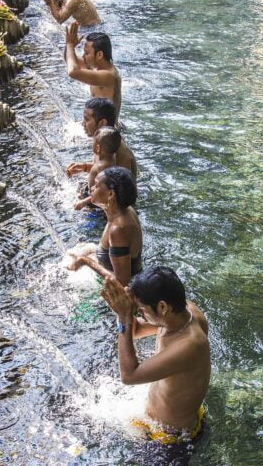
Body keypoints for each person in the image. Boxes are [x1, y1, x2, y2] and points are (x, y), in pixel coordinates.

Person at [100, 266, 211, 443]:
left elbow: (129, 376)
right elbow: (135, 331)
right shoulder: (179, 313)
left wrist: (124, 318)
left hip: (171, 440)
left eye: (141, 310)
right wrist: (123, 310)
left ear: (162, 306)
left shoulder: (189, 345)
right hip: (158, 422)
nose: (140, 314)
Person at [67, 167, 142, 286]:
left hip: (117, 293)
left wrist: (86, 261)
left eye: (96, 186)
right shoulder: (124, 210)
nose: (91, 188)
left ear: (110, 194)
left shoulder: (118, 229)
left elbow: (122, 282)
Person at [66, 97, 137, 180]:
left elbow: (113, 188)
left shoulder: (113, 150)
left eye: (87, 119)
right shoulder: (106, 141)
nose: (83, 124)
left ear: (102, 123)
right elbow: (102, 167)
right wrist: (84, 167)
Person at [64, 23, 122, 120]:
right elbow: (70, 61)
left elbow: (73, 71)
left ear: (99, 55)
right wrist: (70, 46)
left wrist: (69, 44)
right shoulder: (95, 66)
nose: (83, 56)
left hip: (106, 130)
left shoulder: (108, 75)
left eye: (86, 53)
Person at [72, 127, 121, 211]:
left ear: (98, 148)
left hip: (96, 201)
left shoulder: (103, 166)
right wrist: (84, 167)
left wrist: (83, 202)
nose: (91, 144)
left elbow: (103, 193)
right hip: (94, 193)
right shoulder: (110, 157)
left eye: (93, 142)